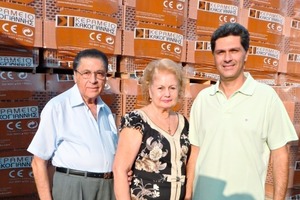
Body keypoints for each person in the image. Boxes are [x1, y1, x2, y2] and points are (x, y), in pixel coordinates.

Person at [186, 22, 299, 200]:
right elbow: (195, 152)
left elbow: (280, 155)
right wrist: (187, 196)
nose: (227, 58)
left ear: (246, 54)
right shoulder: (203, 99)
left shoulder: (266, 97)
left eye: (234, 51)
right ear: (214, 57)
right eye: (220, 52)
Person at [27, 49, 117, 200]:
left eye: (100, 73)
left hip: (107, 188)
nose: (93, 80)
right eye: (86, 73)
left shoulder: (106, 111)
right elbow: (38, 162)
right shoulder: (58, 107)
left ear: (106, 77)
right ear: (75, 76)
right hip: (74, 187)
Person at [113, 58, 191, 200]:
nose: (167, 94)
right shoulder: (137, 120)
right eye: (160, 88)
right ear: (150, 90)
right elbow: (120, 170)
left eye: (172, 88)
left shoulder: (184, 123)